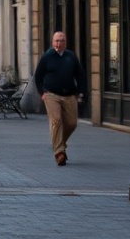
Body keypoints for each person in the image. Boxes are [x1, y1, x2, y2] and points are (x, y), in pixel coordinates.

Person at [33, 31, 87, 166]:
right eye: (56, 40)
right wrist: (42, 93)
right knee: (56, 121)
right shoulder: (47, 57)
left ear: (65, 42)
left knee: (71, 123)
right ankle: (59, 152)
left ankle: (60, 143)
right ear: (52, 42)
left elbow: (80, 75)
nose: (59, 43)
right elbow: (38, 77)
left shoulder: (71, 57)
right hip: (51, 94)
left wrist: (80, 92)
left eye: (61, 40)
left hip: (69, 95)